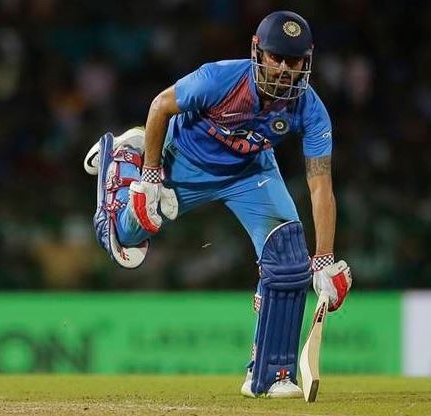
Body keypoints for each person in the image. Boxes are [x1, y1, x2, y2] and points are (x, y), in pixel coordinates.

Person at [83, 10, 352, 398]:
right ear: (258, 52)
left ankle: (270, 376)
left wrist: (324, 257)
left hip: (250, 171)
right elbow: (160, 105)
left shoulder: (311, 109)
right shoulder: (220, 78)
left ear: (306, 63)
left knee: (290, 261)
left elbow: (320, 185)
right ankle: (127, 157)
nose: (284, 69)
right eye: (276, 57)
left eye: (293, 61)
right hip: (184, 159)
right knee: (125, 238)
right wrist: (151, 176)